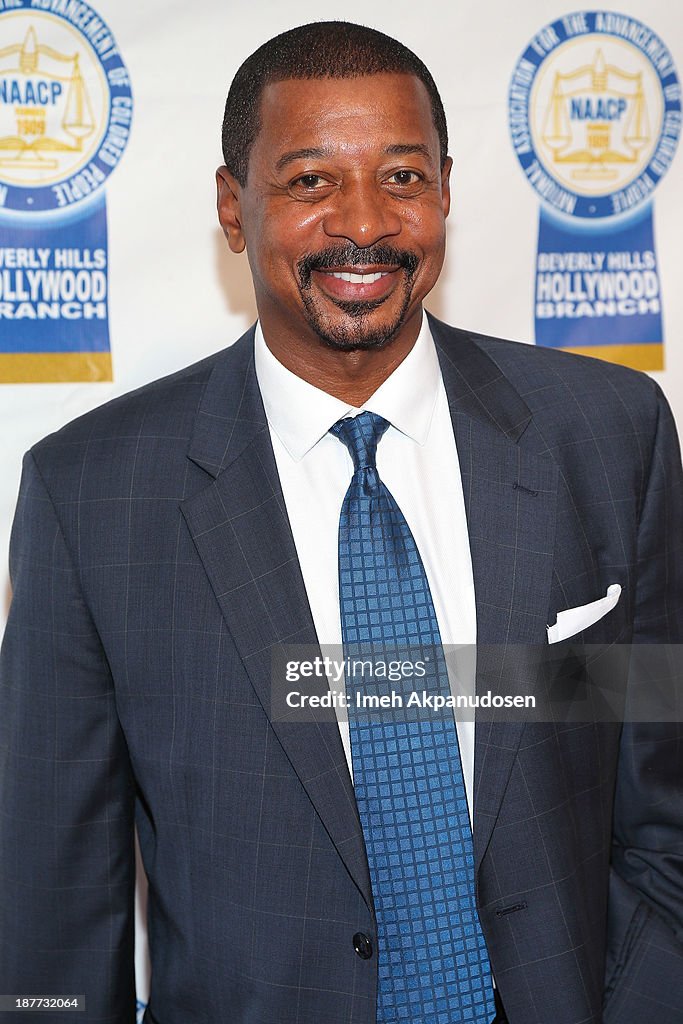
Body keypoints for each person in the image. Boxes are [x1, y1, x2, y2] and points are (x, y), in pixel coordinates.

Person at [1, 20, 682, 1024]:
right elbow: (53, 904)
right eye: (309, 182)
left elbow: (663, 811)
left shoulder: (608, 434)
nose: (362, 223)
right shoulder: (91, 493)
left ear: (445, 191)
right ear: (233, 208)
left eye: (401, 178)